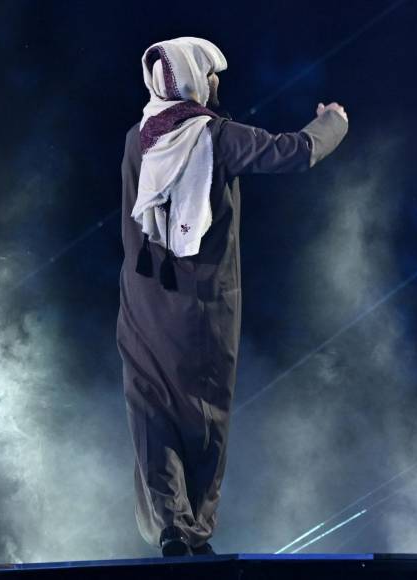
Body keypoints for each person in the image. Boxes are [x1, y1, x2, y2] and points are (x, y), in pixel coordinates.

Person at [116, 37, 349, 557]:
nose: (219, 83)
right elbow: (296, 151)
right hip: (201, 307)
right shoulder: (215, 137)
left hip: (141, 303)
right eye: (213, 75)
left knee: (152, 413)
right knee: (203, 416)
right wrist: (334, 120)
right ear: (198, 80)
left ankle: (172, 527)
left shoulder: (138, 139)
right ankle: (193, 529)